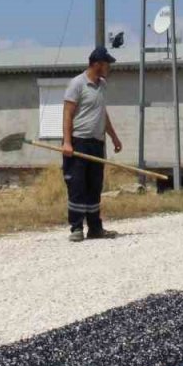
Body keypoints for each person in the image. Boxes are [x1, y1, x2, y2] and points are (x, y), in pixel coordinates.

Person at [62, 47, 124, 242]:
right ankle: (76, 228)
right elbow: (67, 114)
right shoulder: (77, 84)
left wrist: (113, 137)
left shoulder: (102, 85)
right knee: (78, 186)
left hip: (97, 144)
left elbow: (101, 114)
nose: (109, 68)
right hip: (78, 142)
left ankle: (95, 228)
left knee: (94, 186)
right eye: (107, 64)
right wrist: (67, 142)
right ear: (97, 64)